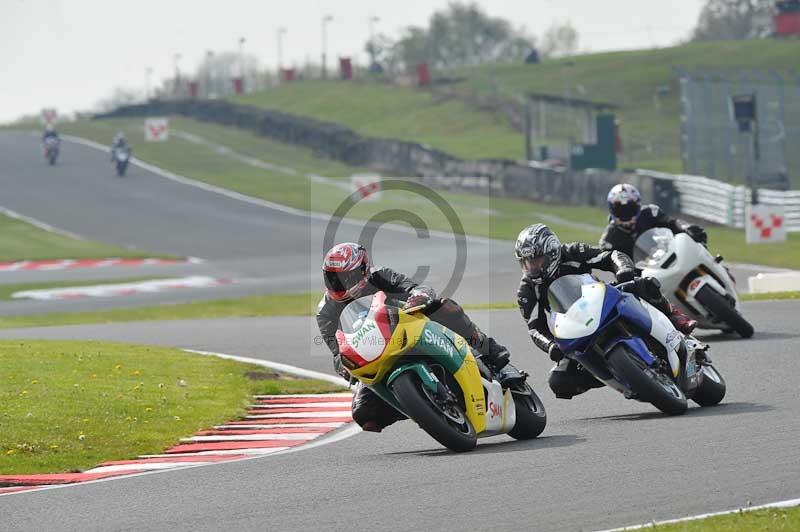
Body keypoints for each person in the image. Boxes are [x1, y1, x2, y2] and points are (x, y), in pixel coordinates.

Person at [316, 242, 516, 432]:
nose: (337, 284)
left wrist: (417, 296)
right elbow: (336, 351)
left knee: (446, 307)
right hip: (373, 351)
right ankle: (420, 405)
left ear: (362, 270)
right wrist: (342, 365)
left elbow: (416, 288)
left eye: (343, 277)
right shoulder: (325, 311)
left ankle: (493, 355)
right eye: (332, 278)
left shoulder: (380, 275)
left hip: (408, 324)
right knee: (363, 413)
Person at [514, 224, 696, 400]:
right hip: (574, 326)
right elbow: (535, 328)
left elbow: (611, 256)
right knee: (560, 381)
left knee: (644, 284)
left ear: (551, 252)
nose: (532, 267)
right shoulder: (527, 290)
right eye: (526, 263)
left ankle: (675, 316)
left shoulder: (573, 252)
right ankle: (620, 377)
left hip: (600, 301)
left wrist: (623, 270)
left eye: (536, 260)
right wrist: (551, 346)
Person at [599, 183, 707, 259]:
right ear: (611, 210)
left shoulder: (651, 212)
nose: (625, 213)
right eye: (620, 210)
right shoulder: (608, 241)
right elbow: (609, 265)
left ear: (638, 205)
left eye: (629, 209)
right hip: (642, 279)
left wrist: (685, 227)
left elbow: (672, 223)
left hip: (671, 257)